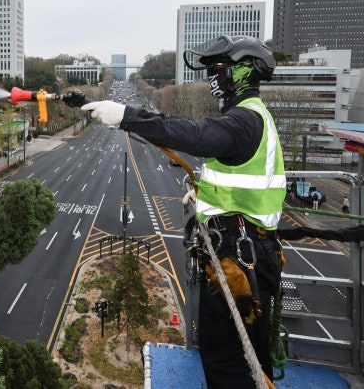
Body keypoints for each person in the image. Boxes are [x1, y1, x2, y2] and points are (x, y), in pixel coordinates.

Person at [81, 35, 285, 388]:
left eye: (218, 69)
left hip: (240, 260)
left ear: (242, 72)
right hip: (247, 252)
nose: (212, 77)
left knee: (227, 361)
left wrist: (126, 115)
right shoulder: (254, 118)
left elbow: (192, 134)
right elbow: (237, 179)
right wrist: (204, 193)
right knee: (243, 351)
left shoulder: (244, 122)